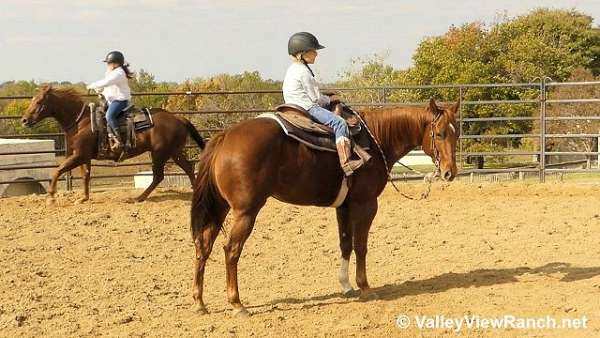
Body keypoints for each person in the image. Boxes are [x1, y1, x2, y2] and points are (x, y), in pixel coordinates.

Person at [282, 32, 367, 176]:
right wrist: (331, 99)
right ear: (301, 53)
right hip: (307, 107)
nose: (316, 54)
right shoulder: (303, 72)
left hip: (291, 105)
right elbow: (315, 98)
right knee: (340, 123)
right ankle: (346, 162)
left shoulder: (292, 69)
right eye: (313, 51)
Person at [87, 51, 133, 151]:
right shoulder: (112, 73)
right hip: (112, 100)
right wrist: (101, 91)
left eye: (108, 63)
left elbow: (107, 82)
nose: (107, 65)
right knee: (100, 114)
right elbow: (109, 87)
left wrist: (92, 85)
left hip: (120, 100)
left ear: (115, 63)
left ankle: (119, 141)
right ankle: (108, 138)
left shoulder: (119, 73)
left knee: (109, 116)